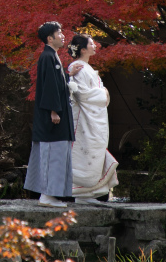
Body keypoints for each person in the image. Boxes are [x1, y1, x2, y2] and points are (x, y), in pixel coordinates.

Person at [24, 21, 83, 208]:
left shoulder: (53, 57)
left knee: (57, 155)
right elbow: (49, 86)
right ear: (50, 38)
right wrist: (54, 110)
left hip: (56, 116)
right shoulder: (47, 56)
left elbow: (56, 82)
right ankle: (47, 196)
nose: (63, 35)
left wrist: (68, 73)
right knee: (52, 155)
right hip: (52, 118)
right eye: (59, 33)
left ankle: (51, 195)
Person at [66, 34, 119, 203]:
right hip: (84, 119)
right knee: (84, 152)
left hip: (93, 118)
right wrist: (103, 93)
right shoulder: (77, 66)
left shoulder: (87, 67)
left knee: (94, 151)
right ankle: (81, 193)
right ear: (82, 49)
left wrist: (102, 93)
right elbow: (81, 94)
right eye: (91, 43)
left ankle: (93, 192)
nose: (95, 45)